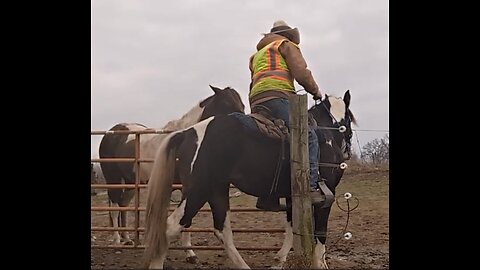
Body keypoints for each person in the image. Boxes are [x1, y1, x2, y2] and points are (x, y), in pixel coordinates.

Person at [249, 20, 324, 211]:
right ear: (288, 35)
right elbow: (301, 73)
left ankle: (267, 194)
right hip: (278, 95)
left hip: (257, 100)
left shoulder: (256, 55)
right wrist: (315, 91)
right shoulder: (285, 45)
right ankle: (310, 187)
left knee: (275, 141)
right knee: (307, 135)